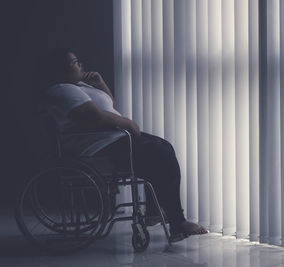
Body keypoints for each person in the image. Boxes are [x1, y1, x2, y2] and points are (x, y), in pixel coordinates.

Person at [44, 48, 207, 239]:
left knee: (164, 149)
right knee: (160, 155)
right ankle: (177, 222)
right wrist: (128, 123)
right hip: (99, 147)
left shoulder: (79, 86)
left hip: (113, 138)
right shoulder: (62, 89)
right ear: (61, 69)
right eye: (74, 62)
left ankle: (158, 214)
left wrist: (100, 84)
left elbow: (107, 104)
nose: (80, 64)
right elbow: (92, 115)